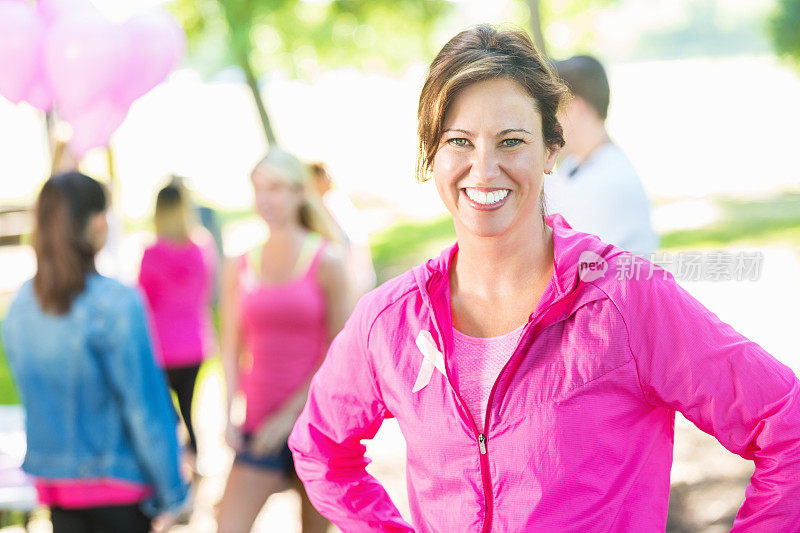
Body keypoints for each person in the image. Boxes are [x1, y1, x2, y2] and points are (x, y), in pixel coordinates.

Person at [288, 25, 800, 531]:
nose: (484, 169)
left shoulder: (626, 299)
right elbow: (319, 448)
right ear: (432, 156)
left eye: (511, 141)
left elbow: (786, 424)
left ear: (552, 148)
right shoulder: (391, 319)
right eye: (459, 141)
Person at [1, 172, 187, 533]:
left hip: (57, 487)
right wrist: (173, 492)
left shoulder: (20, 305)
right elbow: (145, 408)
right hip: (120, 489)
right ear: (100, 222)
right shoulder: (116, 303)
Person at [216, 149, 351, 533]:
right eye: (258, 190)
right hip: (257, 428)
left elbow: (339, 355)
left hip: (316, 426)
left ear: (298, 192)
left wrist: (288, 417)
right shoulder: (239, 264)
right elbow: (230, 346)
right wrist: (227, 414)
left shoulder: (327, 260)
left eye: (275, 188)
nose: (265, 200)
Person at [138, 183, 217, 483]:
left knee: (168, 413)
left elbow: (143, 300)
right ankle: (194, 459)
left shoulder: (152, 254)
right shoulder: (201, 249)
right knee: (188, 408)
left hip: (163, 348)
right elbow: (206, 291)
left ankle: (177, 466)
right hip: (195, 343)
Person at [543, 54, 659, 256]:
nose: (546, 124)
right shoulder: (574, 165)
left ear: (575, 108)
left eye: (552, 111)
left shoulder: (608, 181)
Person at [309, 163, 377, 297]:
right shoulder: (314, 214)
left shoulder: (337, 202)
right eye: (323, 175)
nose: (329, 178)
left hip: (356, 271)